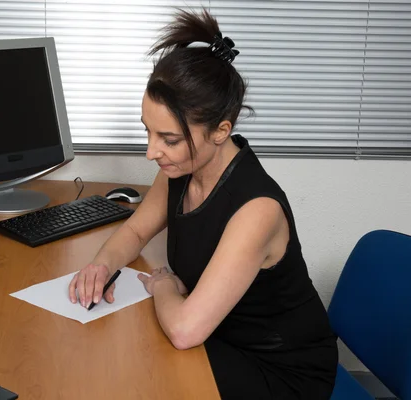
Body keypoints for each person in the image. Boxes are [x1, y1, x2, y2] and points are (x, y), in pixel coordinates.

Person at [68, 9, 337, 400]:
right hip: (216, 331)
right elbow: (136, 229)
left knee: (138, 378)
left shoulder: (257, 210)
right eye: (148, 132)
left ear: (220, 131)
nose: (151, 152)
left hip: (280, 370)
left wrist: (162, 287)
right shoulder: (182, 168)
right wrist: (101, 266)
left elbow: (184, 331)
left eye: (169, 139)